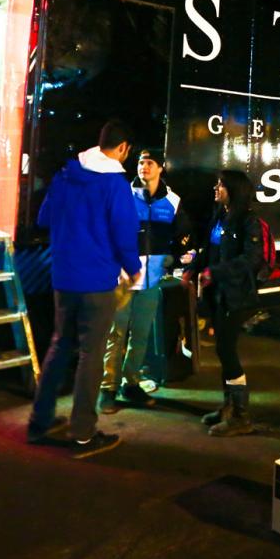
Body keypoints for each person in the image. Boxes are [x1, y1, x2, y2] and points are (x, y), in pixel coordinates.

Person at [28, 119, 141, 458]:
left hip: (63, 278)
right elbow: (124, 233)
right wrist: (133, 269)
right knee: (91, 355)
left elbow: (44, 218)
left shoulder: (65, 176)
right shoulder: (115, 184)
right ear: (123, 148)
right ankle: (82, 433)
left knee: (59, 346)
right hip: (97, 282)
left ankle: (39, 421)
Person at [100, 149, 193, 413]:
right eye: (141, 162)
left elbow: (184, 235)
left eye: (150, 163)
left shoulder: (172, 201)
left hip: (151, 282)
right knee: (115, 335)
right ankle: (108, 389)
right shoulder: (124, 196)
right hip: (122, 281)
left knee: (140, 336)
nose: (144, 167)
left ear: (161, 168)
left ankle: (131, 384)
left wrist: (174, 259)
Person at [192, 169, 268, 436]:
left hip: (237, 296)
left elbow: (252, 259)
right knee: (224, 351)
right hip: (218, 295)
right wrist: (194, 268)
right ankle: (228, 407)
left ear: (233, 190)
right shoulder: (220, 216)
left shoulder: (248, 221)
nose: (216, 188)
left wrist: (216, 273)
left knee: (226, 350)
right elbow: (209, 249)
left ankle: (241, 416)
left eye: (221, 185)